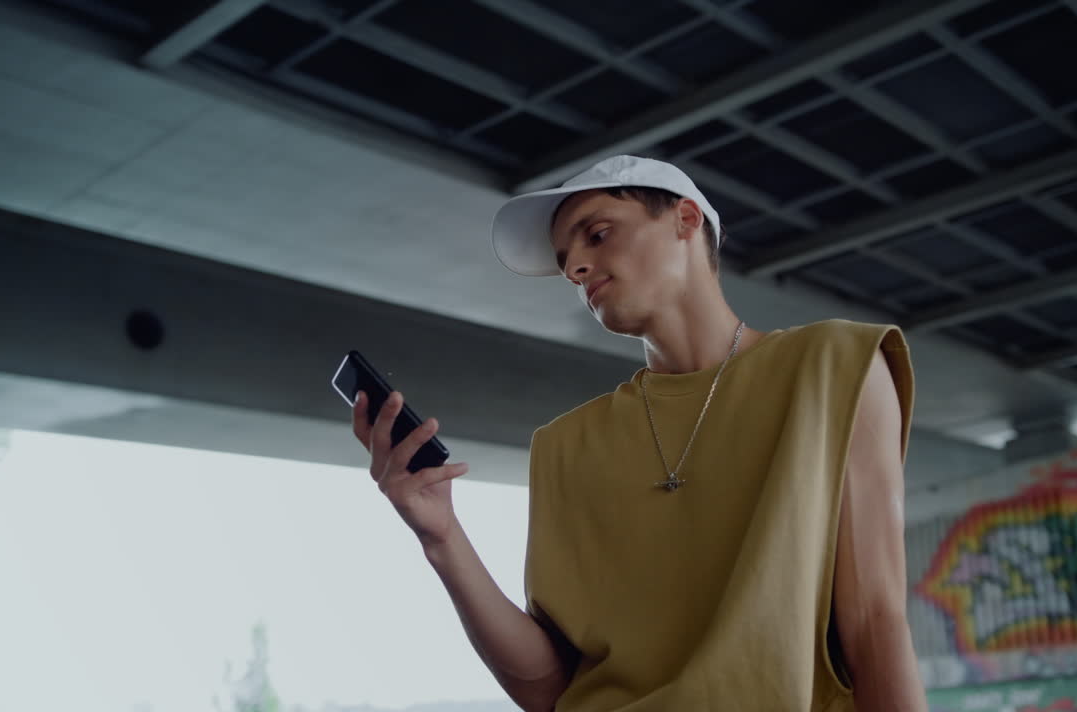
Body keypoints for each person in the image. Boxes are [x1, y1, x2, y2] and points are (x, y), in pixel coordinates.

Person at [351, 156, 925, 711]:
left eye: (596, 235)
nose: (575, 267)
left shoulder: (834, 364)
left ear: (685, 220)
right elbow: (551, 690)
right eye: (565, 258)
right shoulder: (565, 445)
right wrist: (442, 536)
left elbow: (875, 620)